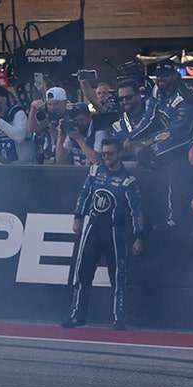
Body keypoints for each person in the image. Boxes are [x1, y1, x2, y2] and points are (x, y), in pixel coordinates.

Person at [62, 139, 144, 330]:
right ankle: (77, 316)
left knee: (117, 276)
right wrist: (77, 218)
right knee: (82, 273)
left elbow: (137, 211)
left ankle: (118, 318)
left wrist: (139, 236)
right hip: (93, 227)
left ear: (119, 154)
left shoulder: (128, 181)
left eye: (111, 154)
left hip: (115, 231)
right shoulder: (94, 172)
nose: (107, 157)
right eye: (104, 154)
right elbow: (84, 196)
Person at [141, 61, 193, 230]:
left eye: (164, 75)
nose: (160, 78)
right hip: (169, 139)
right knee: (144, 155)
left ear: (173, 76)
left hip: (187, 142)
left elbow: (177, 132)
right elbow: (149, 118)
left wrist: (151, 140)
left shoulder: (185, 97)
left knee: (175, 167)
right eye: (158, 75)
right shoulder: (156, 91)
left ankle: (176, 218)